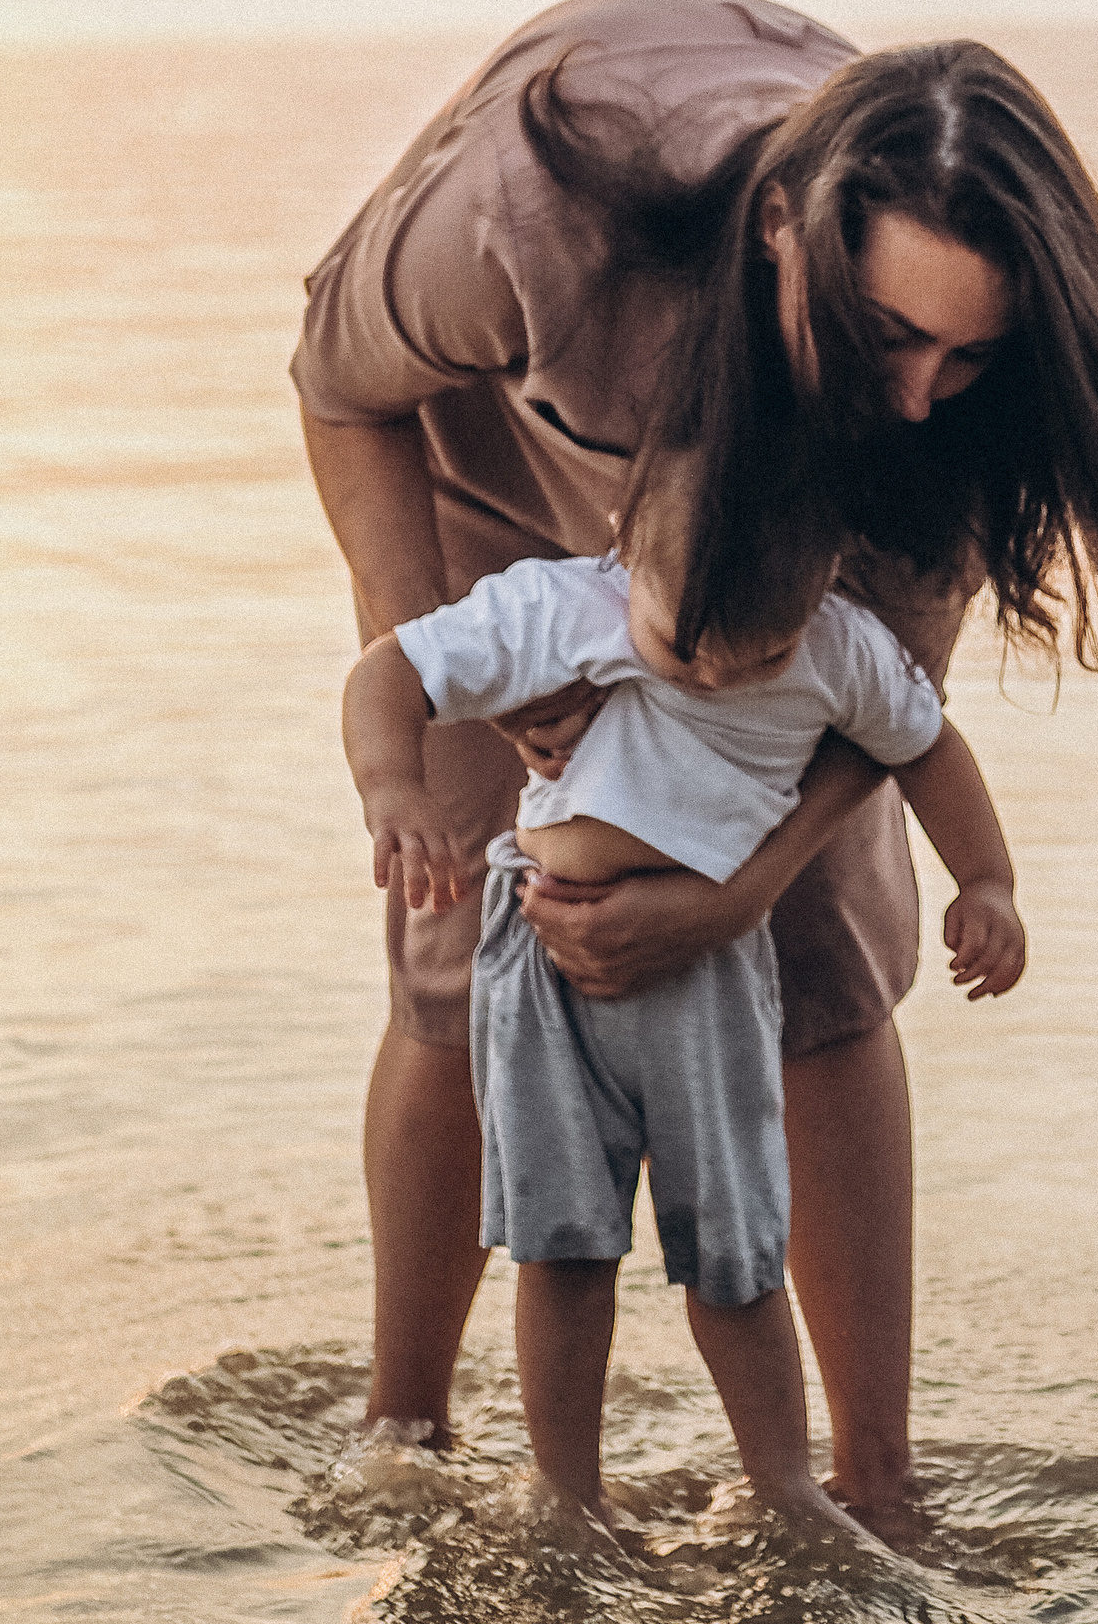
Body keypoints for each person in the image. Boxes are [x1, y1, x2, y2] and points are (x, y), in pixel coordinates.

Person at [295, 0, 1098, 1510]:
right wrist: (453, 681)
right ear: (787, 229)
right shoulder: (535, 217)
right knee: (464, 937)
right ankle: (406, 1440)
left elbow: (896, 720)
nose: (917, 392)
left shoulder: (947, 414)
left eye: (964, 355)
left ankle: (872, 1486)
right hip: (501, 482)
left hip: (797, 542)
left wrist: (740, 887)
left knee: (829, 950)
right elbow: (338, 383)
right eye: (890, 333)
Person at [340, 457, 1025, 1541]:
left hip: (709, 977)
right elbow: (391, 669)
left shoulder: (840, 645)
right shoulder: (563, 603)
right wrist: (394, 785)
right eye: (679, 648)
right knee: (562, 1246)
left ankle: (783, 1483)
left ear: (820, 586)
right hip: (547, 972)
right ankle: (568, 1491)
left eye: (758, 656)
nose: (711, 676)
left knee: (737, 1255)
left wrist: (985, 880)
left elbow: (927, 744)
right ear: (625, 549)